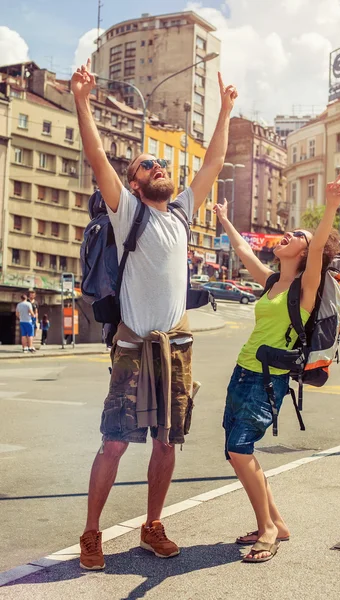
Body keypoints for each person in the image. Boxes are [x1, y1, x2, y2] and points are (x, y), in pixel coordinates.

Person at [71, 58, 237, 570]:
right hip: (132, 350)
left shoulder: (183, 211)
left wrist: (226, 110)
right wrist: (80, 101)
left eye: (160, 164)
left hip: (178, 350)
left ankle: (152, 526)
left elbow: (211, 161)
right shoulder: (128, 211)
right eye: (146, 165)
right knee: (115, 444)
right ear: (133, 183)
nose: (157, 167)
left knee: (167, 443)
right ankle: (91, 533)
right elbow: (98, 156)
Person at [213, 170, 340, 563]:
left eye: (297, 236)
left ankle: (268, 530)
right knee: (237, 451)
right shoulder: (272, 283)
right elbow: (243, 252)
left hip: (267, 380)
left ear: (305, 253)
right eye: (288, 232)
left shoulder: (306, 288)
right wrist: (223, 219)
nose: (288, 235)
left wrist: (331, 208)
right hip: (242, 371)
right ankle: (277, 522)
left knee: (240, 451)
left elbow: (320, 245)